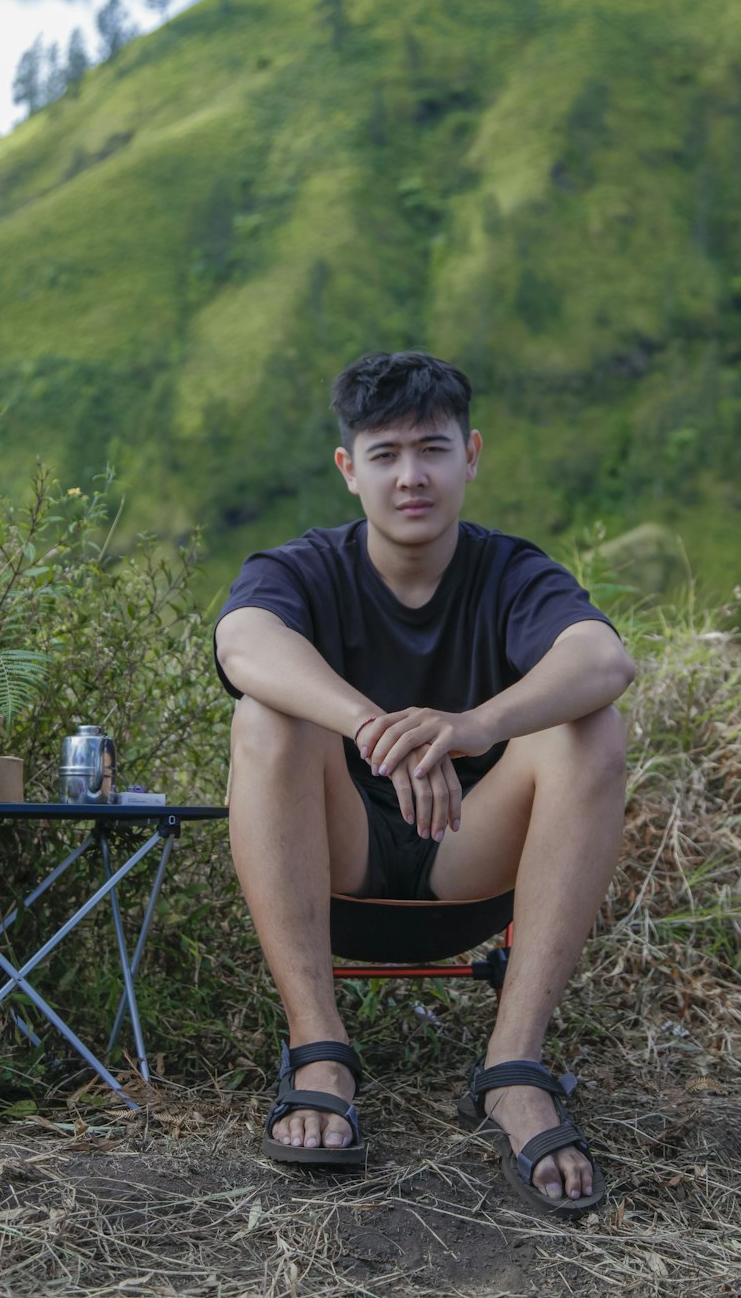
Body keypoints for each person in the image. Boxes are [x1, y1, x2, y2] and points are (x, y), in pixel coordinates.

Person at [214, 350, 634, 1218]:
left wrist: (475, 725)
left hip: (464, 858)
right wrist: (372, 726)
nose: (412, 477)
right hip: (340, 857)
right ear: (348, 470)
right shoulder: (303, 568)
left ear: (470, 455)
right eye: (386, 454)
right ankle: (319, 1049)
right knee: (265, 715)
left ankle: (513, 1067)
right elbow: (243, 642)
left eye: (433, 450)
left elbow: (604, 657)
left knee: (588, 728)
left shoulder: (510, 571)